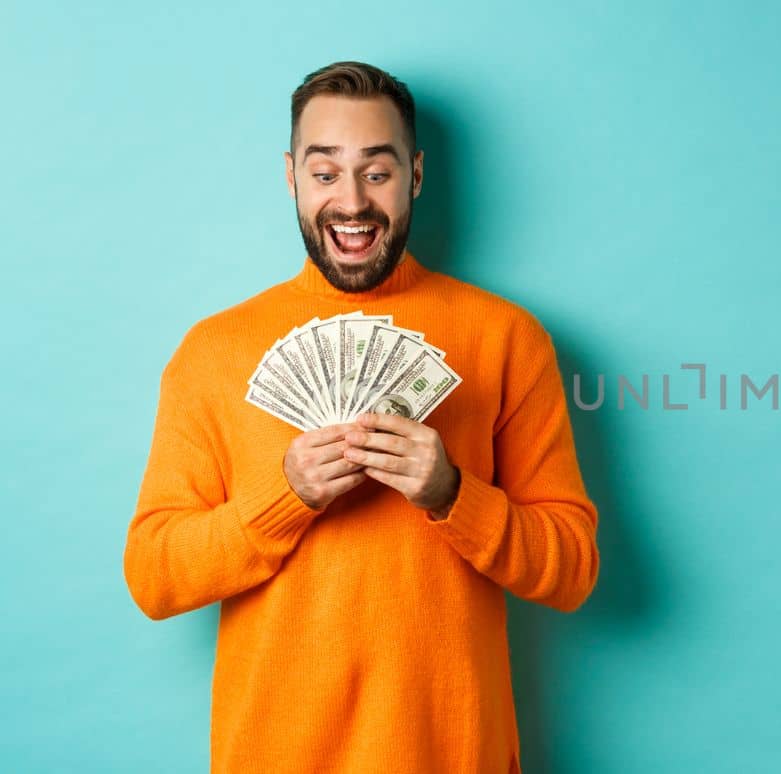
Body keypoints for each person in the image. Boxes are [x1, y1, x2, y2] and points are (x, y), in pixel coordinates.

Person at [122, 60, 600, 774]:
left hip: (453, 753)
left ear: (415, 175)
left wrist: (452, 495)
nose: (351, 202)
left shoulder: (506, 337)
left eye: (377, 172)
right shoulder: (212, 352)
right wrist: (284, 498)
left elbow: (572, 570)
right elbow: (154, 578)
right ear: (291, 177)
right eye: (325, 174)